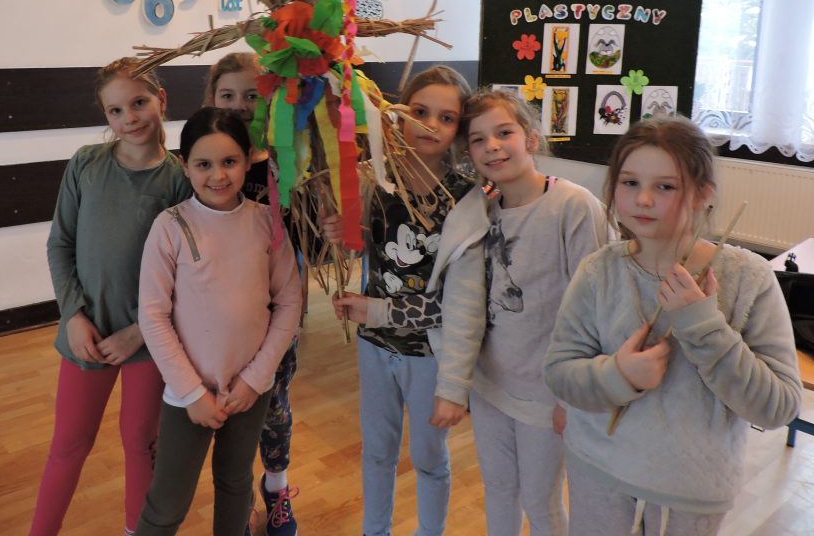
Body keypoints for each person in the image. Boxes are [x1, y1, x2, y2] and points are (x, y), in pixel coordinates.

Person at [543, 116, 802, 536]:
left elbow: (779, 408)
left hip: (690, 495)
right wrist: (619, 374)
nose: (643, 199)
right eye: (629, 183)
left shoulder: (747, 278)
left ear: (703, 193)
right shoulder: (598, 271)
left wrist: (703, 325)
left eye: (665, 187)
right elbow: (560, 374)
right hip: (598, 475)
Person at [429, 88, 611, 536]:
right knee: (498, 488)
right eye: (478, 139)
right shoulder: (479, 210)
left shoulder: (573, 206)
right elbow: (466, 299)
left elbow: (596, 307)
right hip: (492, 385)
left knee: (540, 502)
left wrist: (571, 400)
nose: (491, 146)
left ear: (530, 138)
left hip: (547, 393)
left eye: (503, 133)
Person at [29, 57, 192, 536]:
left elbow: (188, 277)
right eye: (115, 111)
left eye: (139, 103)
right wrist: (73, 316)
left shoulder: (180, 180)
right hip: (87, 335)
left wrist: (140, 332)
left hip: (148, 341)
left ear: (161, 99)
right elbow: (60, 244)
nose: (129, 118)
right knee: (69, 444)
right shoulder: (86, 164)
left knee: (140, 442)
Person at [135, 107, 302, 536]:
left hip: (249, 390)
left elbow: (288, 303)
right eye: (204, 164)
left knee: (235, 484)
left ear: (247, 160)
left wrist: (254, 379)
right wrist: (192, 392)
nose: (218, 175)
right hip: (187, 395)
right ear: (185, 165)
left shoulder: (267, 222)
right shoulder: (170, 226)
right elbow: (152, 315)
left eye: (229, 161)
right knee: (167, 503)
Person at [328, 65, 475, 536]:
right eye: (419, 112)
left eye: (446, 118)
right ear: (397, 114)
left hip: (431, 354)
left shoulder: (466, 201)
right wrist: (342, 234)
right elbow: (364, 248)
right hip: (375, 346)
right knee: (377, 453)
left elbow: (458, 303)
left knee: (429, 458)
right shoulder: (376, 180)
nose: (430, 125)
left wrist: (375, 310)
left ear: (459, 129)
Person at [204, 52, 301, 536]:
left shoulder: (288, 165)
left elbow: (305, 240)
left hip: (275, 320)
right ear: (212, 99)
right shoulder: (204, 169)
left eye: (252, 95)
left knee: (274, 408)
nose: (240, 105)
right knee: (228, 415)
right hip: (217, 324)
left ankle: (276, 488)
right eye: (228, 95)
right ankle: (237, 499)